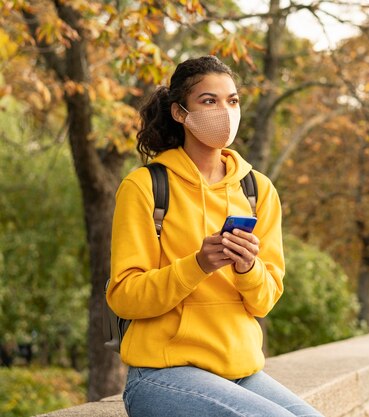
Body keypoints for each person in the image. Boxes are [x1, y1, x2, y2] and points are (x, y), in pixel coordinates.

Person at [107, 55, 324, 417]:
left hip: (238, 372)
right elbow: (124, 297)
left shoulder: (257, 190)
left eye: (232, 100)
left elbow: (265, 301)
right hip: (162, 373)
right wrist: (198, 264)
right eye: (209, 101)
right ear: (180, 112)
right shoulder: (145, 187)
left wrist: (247, 268)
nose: (225, 111)